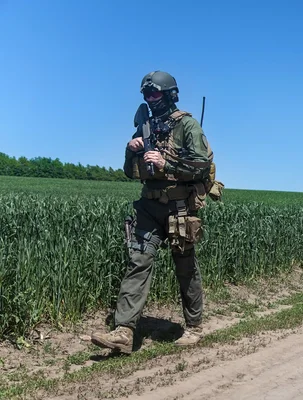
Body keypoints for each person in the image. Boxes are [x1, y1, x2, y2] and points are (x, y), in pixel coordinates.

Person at [92, 71, 214, 353]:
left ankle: (194, 327)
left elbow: (201, 166)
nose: (150, 98)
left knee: (185, 266)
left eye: (155, 93)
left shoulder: (187, 125)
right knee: (138, 262)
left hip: (179, 207)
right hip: (147, 206)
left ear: (170, 94)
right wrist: (131, 150)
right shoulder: (145, 126)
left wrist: (166, 164)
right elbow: (129, 172)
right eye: (146, 94)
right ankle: (123, 331)